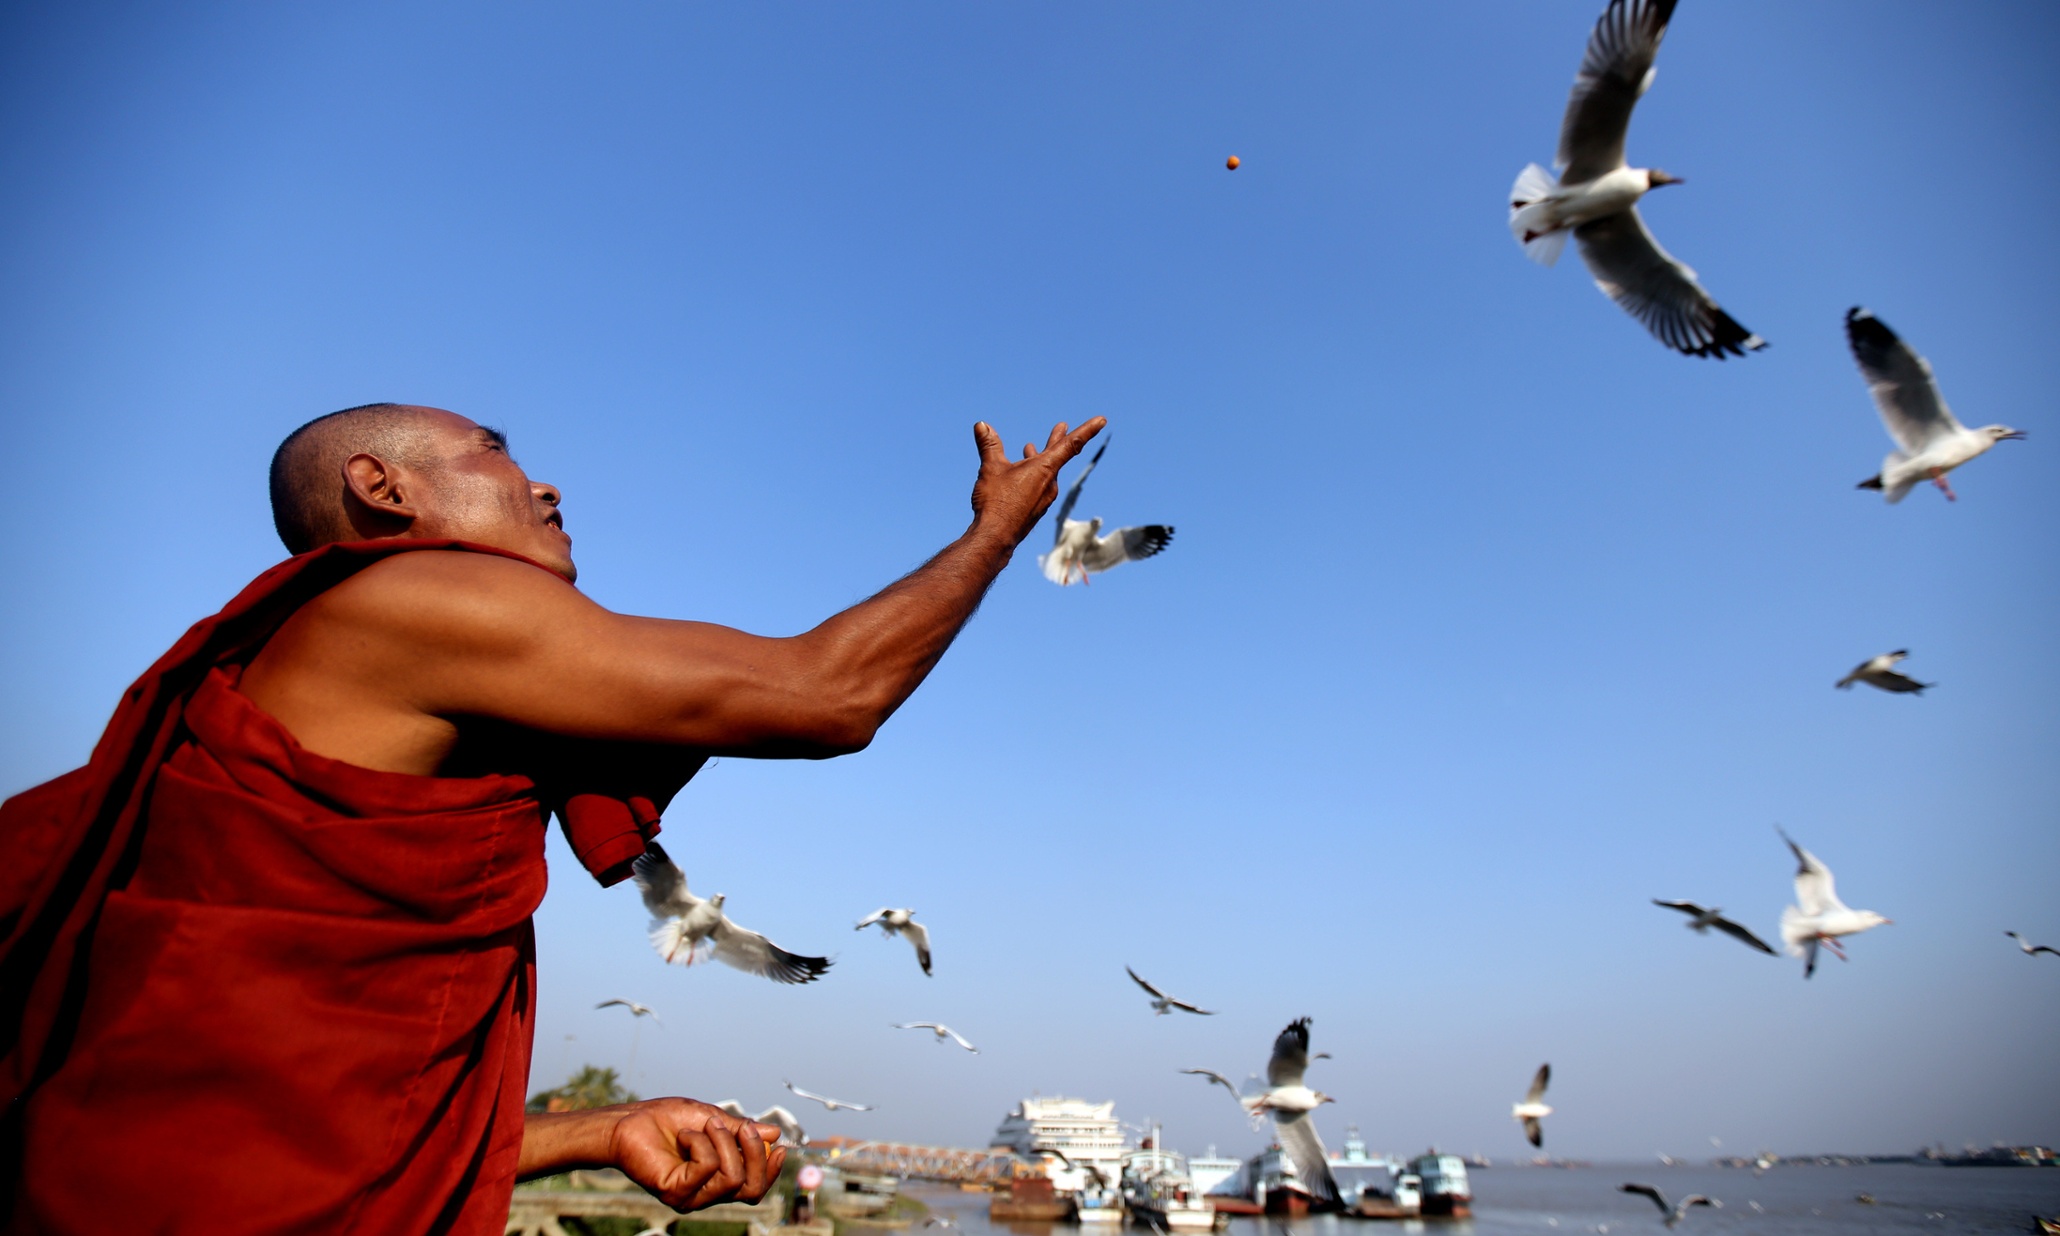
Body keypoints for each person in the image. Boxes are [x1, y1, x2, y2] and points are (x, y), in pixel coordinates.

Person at [0, 403, 1104, 1235]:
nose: (544, 485)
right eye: (495, 453)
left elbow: (290, 1108)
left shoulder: (340, 683)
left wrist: (595, 1129)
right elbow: (827, 694)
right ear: (383, 491)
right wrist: (1000, 529)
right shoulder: (412, 595)